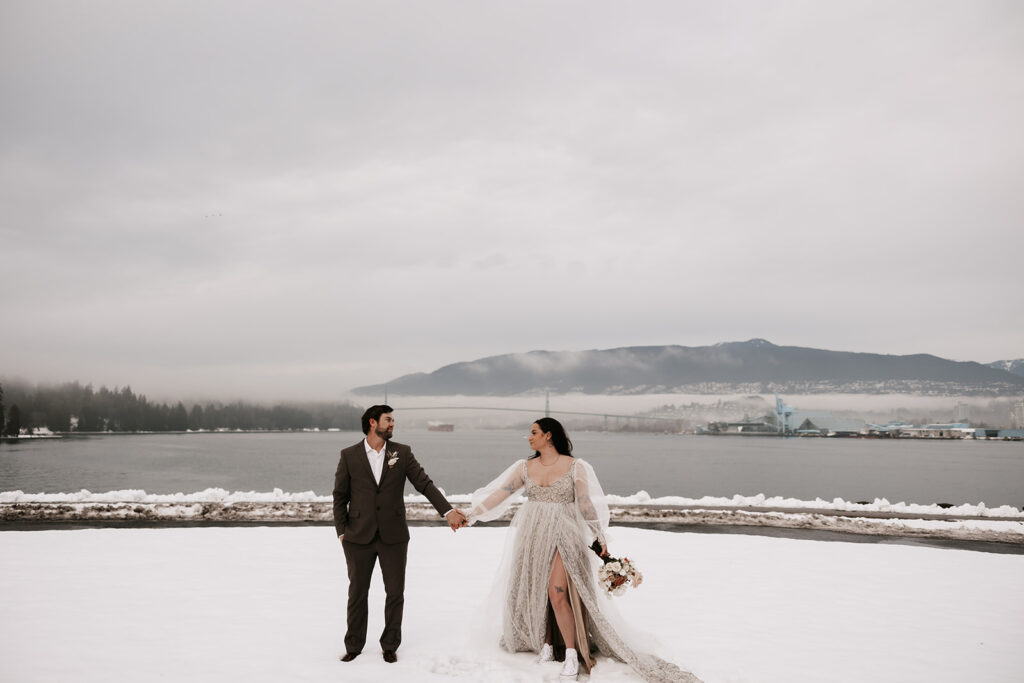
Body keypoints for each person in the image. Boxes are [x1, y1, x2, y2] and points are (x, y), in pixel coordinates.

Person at [460, 418, 701, 682]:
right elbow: (501, 494)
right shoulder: (524, 467)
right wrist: (471, 514)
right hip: (533, 533)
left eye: (533, 433)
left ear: (548, 436)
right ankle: (548, 644)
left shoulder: (576, 467)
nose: (528, 437)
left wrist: (598, 533)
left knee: (557, 590)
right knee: (537, 587)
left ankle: (573, 654)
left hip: (565, 532)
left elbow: (585, 504)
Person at [333, 404, 467, 664]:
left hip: (394, 536)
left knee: (395, 592)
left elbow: (424, 484)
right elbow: (340, 496)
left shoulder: (402, 453)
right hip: (357, 536)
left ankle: (390, 645)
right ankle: (354, 645)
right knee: (357, 592)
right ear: (373, 423)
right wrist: (341, 532)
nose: (392, 424)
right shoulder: (349, 455)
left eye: (393, 420)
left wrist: (448, 511)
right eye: (388, 420)